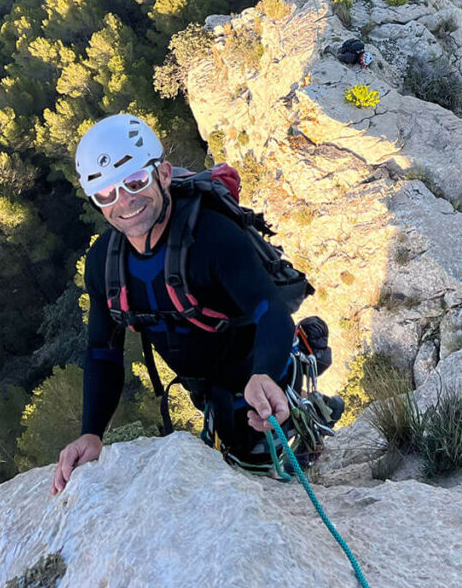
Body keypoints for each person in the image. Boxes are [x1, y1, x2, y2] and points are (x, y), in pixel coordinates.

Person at [52, 114, 317, 495]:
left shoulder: (211, 238)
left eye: (135, 181)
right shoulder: (103, 263)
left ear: (162, 173)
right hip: (205, 387)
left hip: (257, 369)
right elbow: (102, 352)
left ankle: (310, 364)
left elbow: (270, 310)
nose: (124, 202)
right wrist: (91, 433)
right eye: (106, 194)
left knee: (275, 459)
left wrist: (264, 373)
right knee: (237, 453)